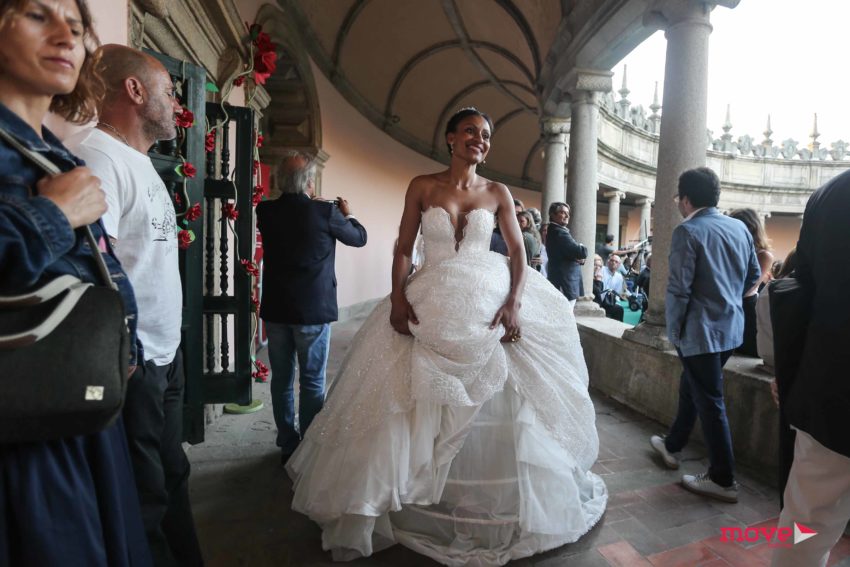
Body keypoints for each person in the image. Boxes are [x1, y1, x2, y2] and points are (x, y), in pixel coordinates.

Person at [286, 107, 606, 565]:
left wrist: (514, 302)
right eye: (471, 131)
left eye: (486, 135)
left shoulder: (497, 192)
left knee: (506, 396)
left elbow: (518, 253)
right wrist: (398, 299)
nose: (480, 139)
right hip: (431, 295)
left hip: (486, 296)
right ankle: (405, 494)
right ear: (451, 138)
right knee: (400, 393)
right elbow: (403, 248)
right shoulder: (422, 185)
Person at [0, 1, 151, 565]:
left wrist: (120, 346)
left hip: (73, 408)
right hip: (22, 429)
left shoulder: (50, 149)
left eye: (77, 24)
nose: (67, 36)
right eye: (38, 15)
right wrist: (53, 216)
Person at [65, 45, 203, 566]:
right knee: (144, 494)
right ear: (135, 90)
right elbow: (93, 269)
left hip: (165, 354)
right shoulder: (98, 157)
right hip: (134, 360)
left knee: (172, 474)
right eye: (169, 91)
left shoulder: (137, 160)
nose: (177, 104)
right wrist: (125, 353)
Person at [650, 167, 760, 504]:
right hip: (730, 330)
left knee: (710, 402)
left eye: (677, 198)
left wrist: (674, 331)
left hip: (699, 333)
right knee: (692, 387)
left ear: (685, 199)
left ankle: (723, 479)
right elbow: (754, 275)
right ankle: (672, 445)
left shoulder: (688, 231)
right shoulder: (739, 228)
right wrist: (726, 300)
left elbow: (678, 290)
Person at [256, 154, 367, 464]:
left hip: (277, 310)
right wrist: (348, 214)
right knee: (313, 380)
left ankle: (287, 445)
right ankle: (307, 449)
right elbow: (359, 238)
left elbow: (291, 217)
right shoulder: (326, 212)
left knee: (281, 380)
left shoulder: (265, 210)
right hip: (313, 310)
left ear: (280, 180)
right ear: (309, 182)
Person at [771, 170, 850, 567]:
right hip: (829, 395)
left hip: (832, 393)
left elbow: (799, 293)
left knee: (804, 529)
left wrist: (790, 375)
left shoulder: (834, 193)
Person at [728, 208, 774, 357]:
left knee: (746, 350)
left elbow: (749, 286)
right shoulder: (730, 249)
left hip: (746, 308)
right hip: (729, 305)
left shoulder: (763, 255)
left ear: (751, 228)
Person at [546, 201, 588, 305]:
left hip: (565, 281)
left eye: (568, 213)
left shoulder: (557, 230)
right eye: (562, 212)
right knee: (565, 312)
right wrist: (581, 246)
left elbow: (570, 253)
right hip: (565, 282)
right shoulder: (559, 232)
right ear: (552, 214)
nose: (567, 216)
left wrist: (576, 256)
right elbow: (581, 252)